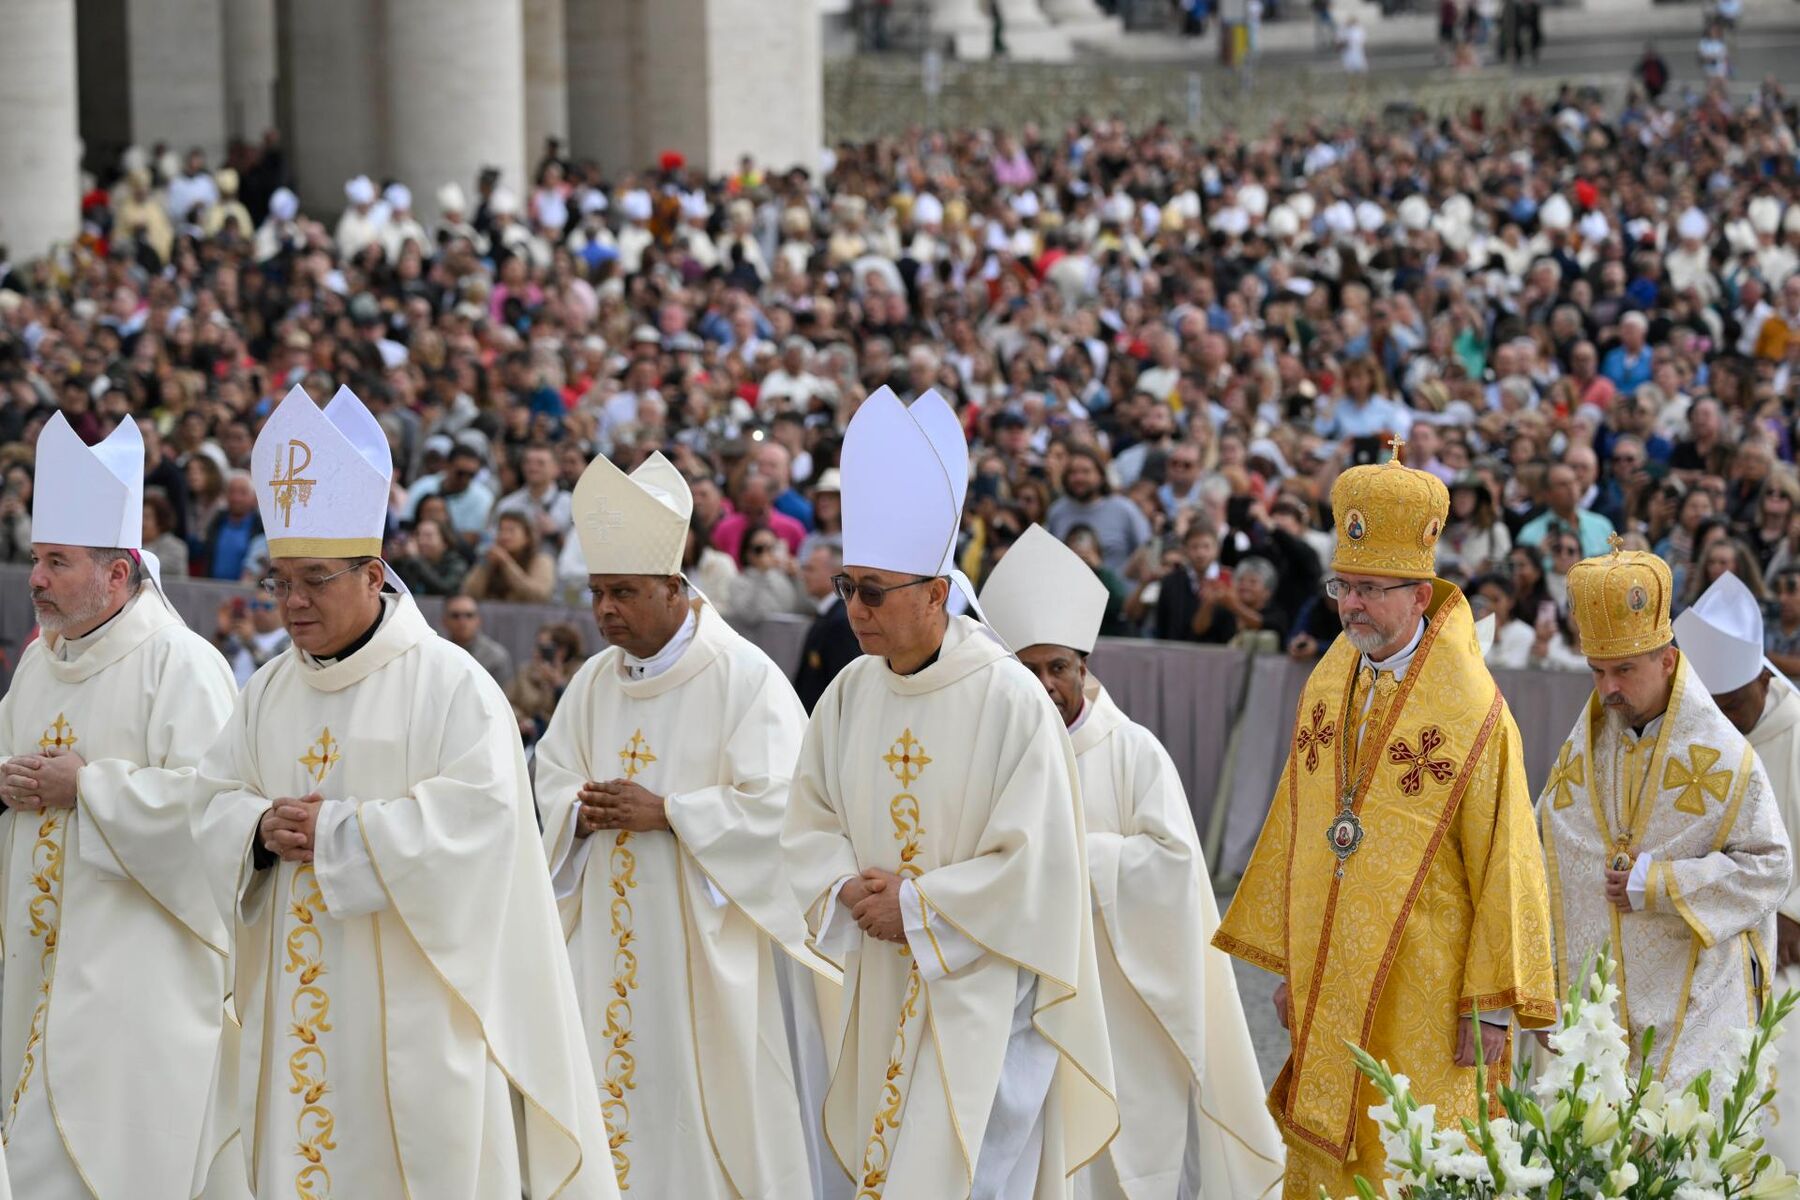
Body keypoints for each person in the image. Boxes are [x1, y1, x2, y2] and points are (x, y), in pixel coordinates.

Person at [192, 386, 618, 1198]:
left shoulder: (452, 685)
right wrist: (254, 829)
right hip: (296, 1007)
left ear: (374, 572)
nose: (293, 603)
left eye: (315, 580)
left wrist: (341, 834)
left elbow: (485, 832)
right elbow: (210, 804)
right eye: (281, 582)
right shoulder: (268, 690)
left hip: (419, 1013)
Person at [782, 387, 1117, 1198]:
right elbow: (808, 818)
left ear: (937, 593)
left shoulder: (1009, 700)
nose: (855, 609)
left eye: (875, 591)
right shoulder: (850, 693)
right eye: (846, 586)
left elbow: (1039, 864)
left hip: (978, 998)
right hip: (879, 976)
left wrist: (921, 907)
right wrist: (846, 889)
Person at [1214, 440, 1557, 1199]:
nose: (1352, 606)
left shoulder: (1472, 711)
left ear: (1421, 596)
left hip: (1430, 988)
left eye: (1372, 589)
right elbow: (1304, 830)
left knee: (1411, 1150)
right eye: (1344, 586)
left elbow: (1506, 857)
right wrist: (1297, 964)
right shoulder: (1331, 681)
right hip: (1332, 973)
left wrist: (1494, 1002)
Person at [535, 450, 839, 1199]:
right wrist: (574, 813)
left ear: (674, 588)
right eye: (597, 593)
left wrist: (670, 813)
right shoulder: (592, 683)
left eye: (624, 593)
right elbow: (542, 786)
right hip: (602, 944)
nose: (605, 611)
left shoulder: (744, 678)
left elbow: (789, 813)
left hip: (705, 964)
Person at [979, 526, 1286, 1198]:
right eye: (1026, 670)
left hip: (1120, 1004)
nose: (1044, 685)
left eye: (1057, 667)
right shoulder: (990, 753)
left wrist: (1061, 863)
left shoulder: (1133, 753)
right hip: (1021, 1001)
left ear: (1084, 667)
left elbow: (1172, 867)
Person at [0, 414, 239, 1199]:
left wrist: (91, 788)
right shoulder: (40, 666)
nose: (34, 579)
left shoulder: (182, 666)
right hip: (37, 974)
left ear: (116, 574)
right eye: (36, 560)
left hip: (139, 990)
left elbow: (216, 813)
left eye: (55, 562)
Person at [1540, 539, 1791, 1087]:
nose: (1609, 688)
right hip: (1598, 1006)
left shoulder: (1723, 758)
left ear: (1668, 660)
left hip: (1695, 1002)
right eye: (1597, 671)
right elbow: (1543, 854)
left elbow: (1770, 867)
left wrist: (1662, 882)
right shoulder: (1584, 748)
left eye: (1625, 670)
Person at [1674, 573, 1800, 1163]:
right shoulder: (1694, 730)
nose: (1721, 726)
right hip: (1705, 946)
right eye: (1711, 709)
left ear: (1763, 678)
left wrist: (1791, 912)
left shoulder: (1795, 730)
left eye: (1730, 708)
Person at [1046, 445, 1151, 575]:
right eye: (1072, 473)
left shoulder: (1125, 509)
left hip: (1117, 592)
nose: (1079, 478)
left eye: (1086, 472)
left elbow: (1147, 551)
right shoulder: (1057, 512)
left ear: (1101, 475)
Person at [794, 541, 862, 712]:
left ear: (835, 573)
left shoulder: (839, 622)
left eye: (811, 569)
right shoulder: (828, 615)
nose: (804, 575)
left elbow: (844, 683)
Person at [462, 510, 556, 603]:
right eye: (501, 530)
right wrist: (485, 566)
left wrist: (506, 563)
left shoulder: (541, 561)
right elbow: (469, 594)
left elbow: (539, 596)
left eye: (511, 531)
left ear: (527, 537)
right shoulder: (491, 560)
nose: (504, 536)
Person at [440, 594, 514, 685]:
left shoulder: (495, 657)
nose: (462, 622)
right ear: (444, 621)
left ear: (478, 620)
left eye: (469, 615)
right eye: (455, 616)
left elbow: (501, 696)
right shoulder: (437, 654)